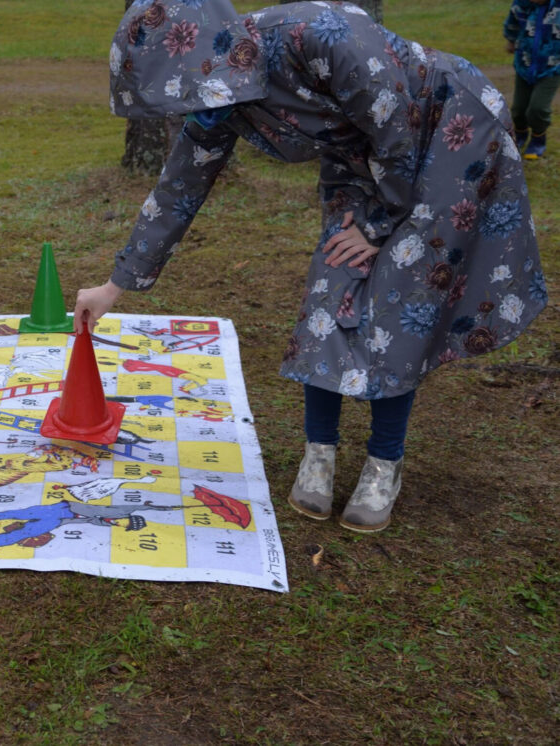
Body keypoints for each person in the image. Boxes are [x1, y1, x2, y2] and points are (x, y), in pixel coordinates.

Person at [75, 0, 548, 532]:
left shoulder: (321, 36)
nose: (189, 106)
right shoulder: (218, 95)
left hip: (446, 134)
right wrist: (113, 287)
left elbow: (397, 130)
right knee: (330, 293)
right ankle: (319, 453)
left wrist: (377, 227)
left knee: (402, 297)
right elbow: (178, 188)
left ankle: (384, 464)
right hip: (362, 158)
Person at [504, 0, 560, 159]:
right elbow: (512, 23)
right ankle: (520, 135)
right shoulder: (521, 4)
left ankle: (538, 138)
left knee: (537, 109)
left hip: (552, 68)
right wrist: (511, 40)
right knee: (518, 110)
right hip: (524, 64)